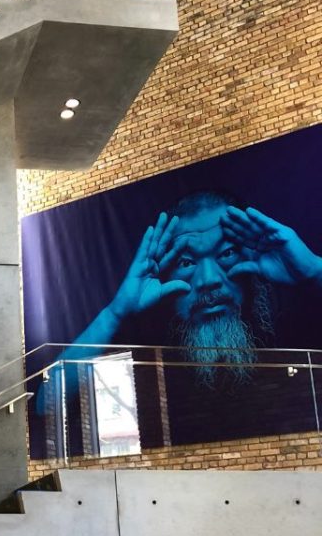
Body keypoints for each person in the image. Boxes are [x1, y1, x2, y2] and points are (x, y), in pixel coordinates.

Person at [36, 191, 322, 450]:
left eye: (226, 253)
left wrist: (314, 269)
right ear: (165, 276)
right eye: (186, 263)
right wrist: (115, 313)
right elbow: (46, 404)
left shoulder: (298, 320)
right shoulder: (148, 346)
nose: (209, 280)